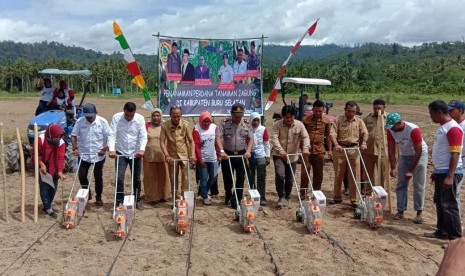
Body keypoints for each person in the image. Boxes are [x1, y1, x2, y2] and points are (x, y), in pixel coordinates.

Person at [424, 100, 463, 244]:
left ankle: (455, 241)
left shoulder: (453, 128)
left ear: (439, 112)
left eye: (431, 113)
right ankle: (442, 231)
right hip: (441, 171)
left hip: (450, 172)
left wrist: (450, 176)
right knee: (440, 203)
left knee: (450, 206)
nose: (430, 117)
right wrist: (436, 170)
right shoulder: (443, 127)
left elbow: (455, 153)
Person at [385, 112, 428, 223]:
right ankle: (400, 210)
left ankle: (419, 212)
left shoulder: (413, 129)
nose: (392, 130)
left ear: (399, 123)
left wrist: (410, 170)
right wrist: (393, 167)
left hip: (419, 154)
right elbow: (391, 149)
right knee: (401, 184)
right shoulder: (391, 130)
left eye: (393, 127)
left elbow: (418, 151)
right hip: (405, 155)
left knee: (418, 184)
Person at [108, 102, 147, 210]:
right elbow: (112, 134)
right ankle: (119, 201)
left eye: (131, 115)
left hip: (135, 153)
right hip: (121, 152)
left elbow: (143, 135)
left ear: (135, 112)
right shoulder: (116, 117)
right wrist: (111, 150)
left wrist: (142, 149)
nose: (129, 117)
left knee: (137, 178)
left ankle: (137, 199)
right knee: (119, 177)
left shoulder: (140, 118)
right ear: (123, 110)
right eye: (127, 115)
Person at [329, 101, 368, 207]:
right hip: (340, 149)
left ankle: (354, 199)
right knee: (338, 174)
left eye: (353, 111)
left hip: (354, 149)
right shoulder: (338, 120)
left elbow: (365, 133)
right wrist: (336, 144)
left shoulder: (359, 121)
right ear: (345, 110)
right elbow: (332, 133)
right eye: (349, 111)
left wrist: (364, 143)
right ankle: (337, 197)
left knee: (355, 175)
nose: (351, 113)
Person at [71, 103, 110, 207]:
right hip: (84, 154)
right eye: (87, 116)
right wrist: (75, 148)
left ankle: (99, 197)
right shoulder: (80, 121)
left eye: (91, 117)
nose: (88, 119)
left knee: (98, 177)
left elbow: (110, 137)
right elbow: (74, 135)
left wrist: (104, 149)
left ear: (95, 113)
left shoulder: (102, 122)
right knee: (82, 175)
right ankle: (87, 192)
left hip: (98, 155)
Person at [271, 105, 310, 207]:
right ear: (283, 116)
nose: (289, 119)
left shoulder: (299, 125)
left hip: (292, 156)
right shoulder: (277, 125)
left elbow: (305, 137)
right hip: (279, 155)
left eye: (291, 117)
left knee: (289, 178)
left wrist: (305, 148)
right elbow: (274, 138)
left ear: (294, 116)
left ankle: (287, 196)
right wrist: (281, 151)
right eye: (287, 117)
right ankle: (281, 196)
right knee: (280, 175)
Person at [216, 103, 253, 208]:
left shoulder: (247, 124)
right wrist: (221, 151)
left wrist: (248, 151)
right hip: (228, 154)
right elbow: (218, 137)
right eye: (236, 115)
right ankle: (228, 195)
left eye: (240, 115)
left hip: (241, 154)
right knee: (227, 177)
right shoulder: (224, 124)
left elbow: (250, 139)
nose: (238, 117)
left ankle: (237, 198)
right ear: (232, 114)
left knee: (241, 178)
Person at [160, 106, 196, 199]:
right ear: (170, 115)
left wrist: (192, 154)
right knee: (173, 179)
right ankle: (175, 200)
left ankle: (184, 199)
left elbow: (191, 141)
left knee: (186, 178)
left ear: (181, 115)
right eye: (174, 116)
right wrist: (166, 155)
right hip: (172, 156)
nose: (176, 119)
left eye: (178, 116)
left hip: (184, 155)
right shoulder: (165, 126)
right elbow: (162, 142)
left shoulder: (185, 124)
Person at [33, 124, 66, 219]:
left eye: (59, 137)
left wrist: (59, 171)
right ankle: (47, 207)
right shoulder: (40, 139)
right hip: (43, 166)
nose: (58, 139)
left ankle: (48, 205)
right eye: (56, 137)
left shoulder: (61, 142)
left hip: (54, 166)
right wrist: (41, 164)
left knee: (53, 188)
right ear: (50, 135)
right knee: (44, 188)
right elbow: (35, 154)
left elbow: (60, 157)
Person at [300, 100, 332, 199]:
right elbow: (300, 136)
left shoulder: (326, 121)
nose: (318, 113)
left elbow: (328, 136)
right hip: (307, 150)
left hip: (319, 151)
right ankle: (303, 193)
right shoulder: (305, 120)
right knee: (305, 173)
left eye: (320, 111)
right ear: (313, 109)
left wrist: (330, 150)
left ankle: (316, 193)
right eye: (316, 111)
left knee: (318, 174)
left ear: (323, 111)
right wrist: (300, 149)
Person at [143, 108, 170, 205]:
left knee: (163, 176)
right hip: (149, 154)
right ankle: (152, 197)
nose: (156, 118)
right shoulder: (146, 126)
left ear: (161, 116)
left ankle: (164, 196)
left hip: (163, 154)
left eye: (158, 116)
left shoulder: (165, 125)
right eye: (154, 116)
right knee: (150, 177)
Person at [362, 99, 389, 192]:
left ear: (384, 108)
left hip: (382, 151)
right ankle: (368, 192)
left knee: (382, 174)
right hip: (369, 151)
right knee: (368, 173)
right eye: (375, 108)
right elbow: (362, 132)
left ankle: (381, 193)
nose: (377, 110)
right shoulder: (367, 118)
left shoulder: (389, 118)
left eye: (379, 108)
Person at [193, 111, 218, 205]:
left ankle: (204, 191)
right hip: (202, 159)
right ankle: (205, 196)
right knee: (203, 178)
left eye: (208, 121)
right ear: (200, 120)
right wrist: (200, 158)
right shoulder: (196, 129)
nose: (206, 123)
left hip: (213, 158)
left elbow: (217, 141)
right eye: (204, 121)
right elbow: (196, 145)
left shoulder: (214, 127)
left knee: (213, 177)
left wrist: (219, 154)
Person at [248, 112, 270, 205]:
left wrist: (268, 156)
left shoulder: (263, 129)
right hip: (250, 155)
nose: (256, 122)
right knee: (251, 176)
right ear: (251, 120)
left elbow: (266, 143)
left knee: (261, 177)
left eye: (257, 120)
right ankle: (253, 195)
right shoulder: (247, 129)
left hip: (261, 155)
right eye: (254, 120)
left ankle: (262, 197)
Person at [448, 100, 465, 216]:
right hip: (456, 159)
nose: (449, 112)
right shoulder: (451, 125)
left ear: (461, 111)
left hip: (461, 159)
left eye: (452, 110)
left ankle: (457, 221)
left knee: (456, 191)